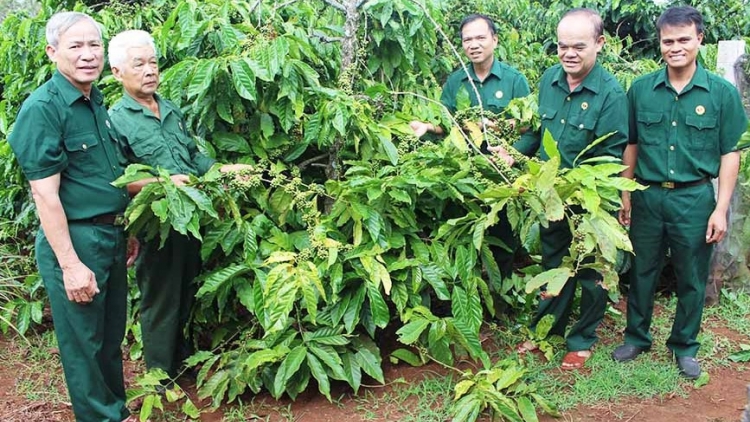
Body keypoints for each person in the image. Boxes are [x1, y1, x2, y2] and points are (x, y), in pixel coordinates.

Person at [7, 11, 138, 422]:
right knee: (84, 344)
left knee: (108, 339)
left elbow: (105, 176)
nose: (87, 55)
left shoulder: (94, 101)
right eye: (75, 46)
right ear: (52, 52)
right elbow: (45, 195)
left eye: (94, 45)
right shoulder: (44, 109)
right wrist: (70, 264)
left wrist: (125, 228)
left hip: (108, 237)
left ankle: (114, 412)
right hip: (76, 242)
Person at [107, 30, 251, 383]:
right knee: (160, 297)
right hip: (156, 225)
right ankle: (159, 376)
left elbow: (191, 156)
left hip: (192, 217)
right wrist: (165, 184)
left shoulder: (169, 108)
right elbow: (119, 180)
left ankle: (182, 365)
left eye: (153, 62)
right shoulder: (115, 119)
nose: (149, 70)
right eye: (138, 64)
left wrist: (221, 171)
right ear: (117, 72)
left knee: (187, 290)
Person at [612, 6, 747, 379]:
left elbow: (729, 153)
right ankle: (636, 337)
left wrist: (720, 209)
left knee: (691, 275)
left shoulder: (720, 93)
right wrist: (626, 195)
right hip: (648, 196)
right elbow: (632, 146)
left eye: (684, 39)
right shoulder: (641, 90)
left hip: (695, 199)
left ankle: (685, 345)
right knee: (642, 271)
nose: (675, 47)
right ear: (659, 43)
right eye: (668, 41)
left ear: (699, 40)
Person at [500, 8, 628, 369]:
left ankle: (582, 339)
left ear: (599, 44)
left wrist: (573, 188)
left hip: (588, 201)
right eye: (562, 46)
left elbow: (608, 159)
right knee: (555, 264)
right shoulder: (549, 81)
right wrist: (513, 156)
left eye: (578, 46)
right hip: (550, 199)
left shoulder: (612, 95)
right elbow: (538, 135)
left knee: (590, 270)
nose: (569, 53)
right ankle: (547, 332)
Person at [410, 13, 531, 278]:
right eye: (467, 39)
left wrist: (505, 134)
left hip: (502, 170)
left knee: (502, 233)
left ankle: (502, 292)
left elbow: (528, 126)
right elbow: (447, 122)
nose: (473, 44)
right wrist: (428, 127)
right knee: (467, 229)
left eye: (480, 38)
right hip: (465, 169)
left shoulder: (514, 80)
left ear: (495, 40)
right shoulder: (456, 81)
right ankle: (470, 283)